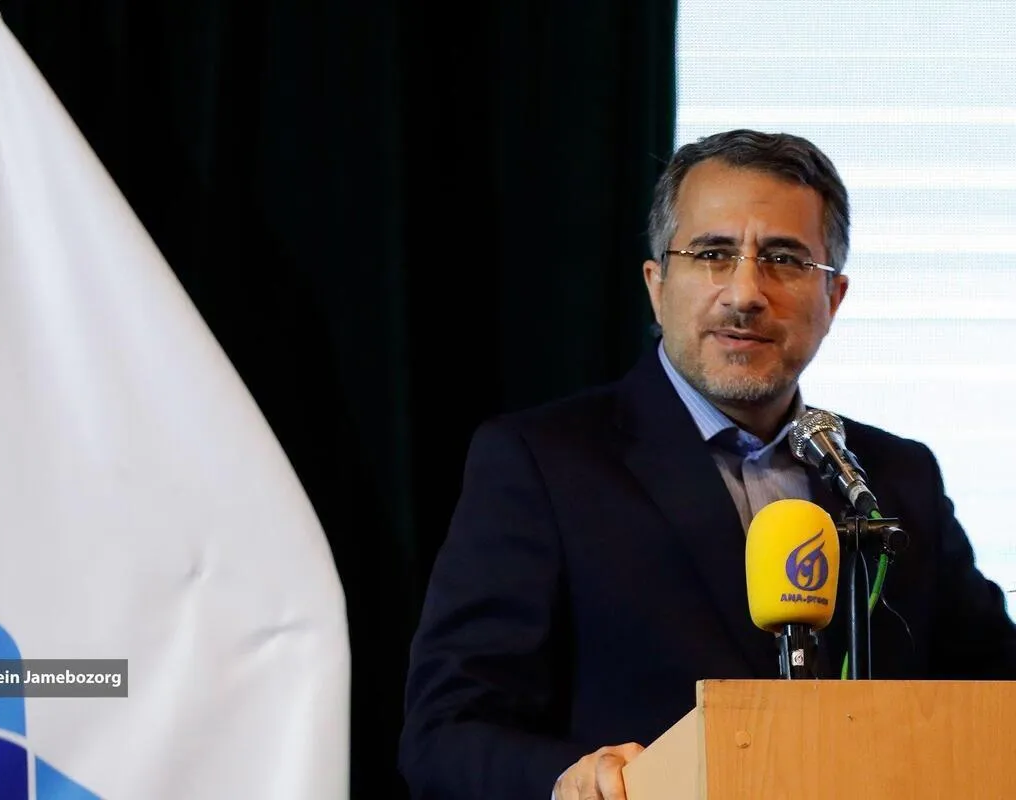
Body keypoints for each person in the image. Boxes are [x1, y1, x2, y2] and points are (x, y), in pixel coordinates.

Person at [397, 129, 1016, 800]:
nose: (745, 292)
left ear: (833, 298)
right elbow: (446, 732)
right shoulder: (543, 464)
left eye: (783, 258)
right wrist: (568, 779)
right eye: (713, 254)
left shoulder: (894, 480)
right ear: (657, 285)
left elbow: (997, 692)